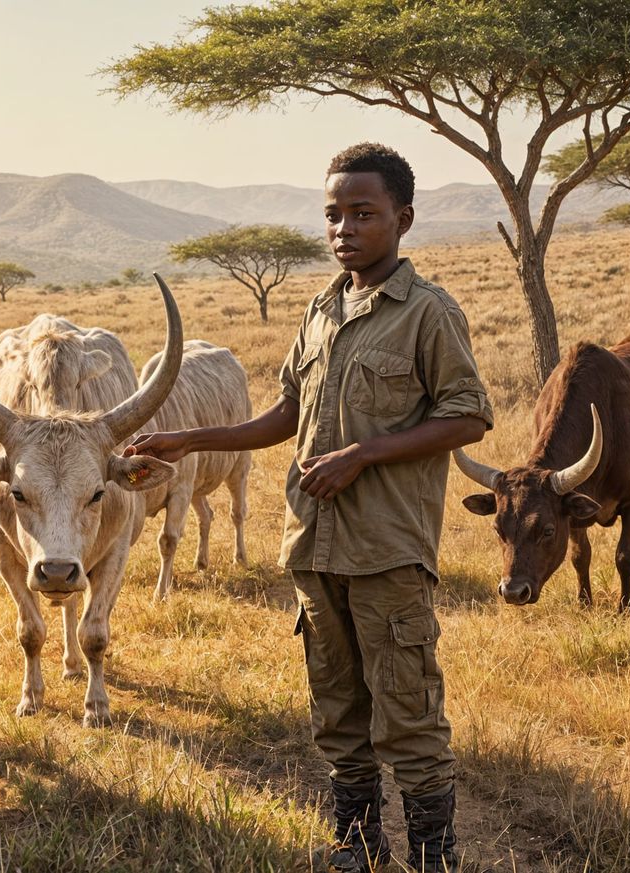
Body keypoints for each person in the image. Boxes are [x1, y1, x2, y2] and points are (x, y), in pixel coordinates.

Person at [126, 143, 493, 873]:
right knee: (337, 714)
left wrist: (364, 454)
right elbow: (286, 415)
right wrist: (184, 437)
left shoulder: (427, 314)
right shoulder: (322, 310)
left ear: (403, 219)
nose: (344, 229)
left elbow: (468, 417)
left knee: (409, 715)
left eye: (364, 214)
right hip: (314, 550)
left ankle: (433, 856)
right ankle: (357, 846)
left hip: (387, 550)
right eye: (333, 215)